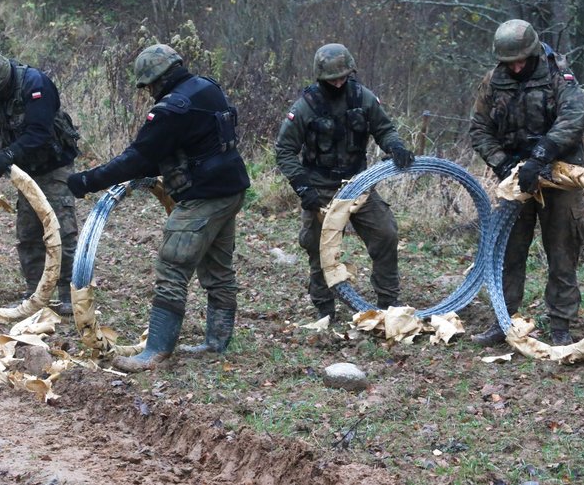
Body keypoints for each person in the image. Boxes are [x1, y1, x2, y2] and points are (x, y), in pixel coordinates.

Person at [67, 44, 250, 372]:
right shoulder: (207, 88)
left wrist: (86, 181)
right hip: (230, 189)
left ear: (158, 80)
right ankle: (215, 343)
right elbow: (191, 143)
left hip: (203, 197)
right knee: (218, 269)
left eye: (148, 85)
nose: (149, 92)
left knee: (172, 268)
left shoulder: (170, 110)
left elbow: (136, 159)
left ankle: (154, 353)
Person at [469, 19, 584, 347]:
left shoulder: (557, 75)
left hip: (560, 173)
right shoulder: (493, 82)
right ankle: (504, 320)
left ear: (534, 51)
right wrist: (502, 162)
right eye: (511, 62)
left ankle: (562, 323)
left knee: (563, 248)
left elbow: (574, 117)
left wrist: (542, 154)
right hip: (516, 177)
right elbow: (479, 128)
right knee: (509, 249)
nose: (517, 66)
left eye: (522, 59)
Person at [274, 43, 415, 321]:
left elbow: (384, 129)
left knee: (385, 234)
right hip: (320, 188)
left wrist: (395, 147)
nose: (339, 83)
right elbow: (285, 150)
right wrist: (303, 187)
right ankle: (324, 308)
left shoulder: (363, 97)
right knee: (317, 247)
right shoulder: (305, 107)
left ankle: (388, 301)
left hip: (359, 184)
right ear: (320, 77)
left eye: (344, 76)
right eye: (332, 79)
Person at [0, 52, 80, 316]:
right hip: (25, 170)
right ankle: (36, 292)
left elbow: (40, 133)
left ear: (3, 80)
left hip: (53, 166)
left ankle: (67, 293)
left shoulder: (36, 85)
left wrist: (7, 156)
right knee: (28, 233)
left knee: (60, 230)